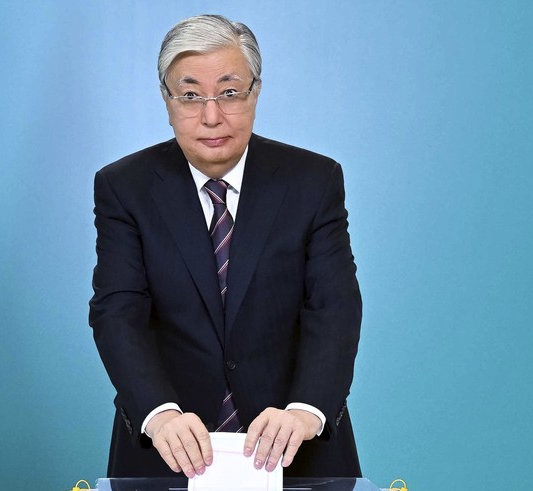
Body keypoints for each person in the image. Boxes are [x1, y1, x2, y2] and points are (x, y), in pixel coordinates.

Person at [89, 14, 362, 479]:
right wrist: (159, 413)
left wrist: (305, 410)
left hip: (294, 446)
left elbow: (334, 306)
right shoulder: (125, 187)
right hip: (167, 450)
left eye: (230, 93)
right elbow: (118, 311)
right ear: (166, 99)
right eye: (190, 96)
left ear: (255, 93)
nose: (211, 116)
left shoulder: (314, 181)